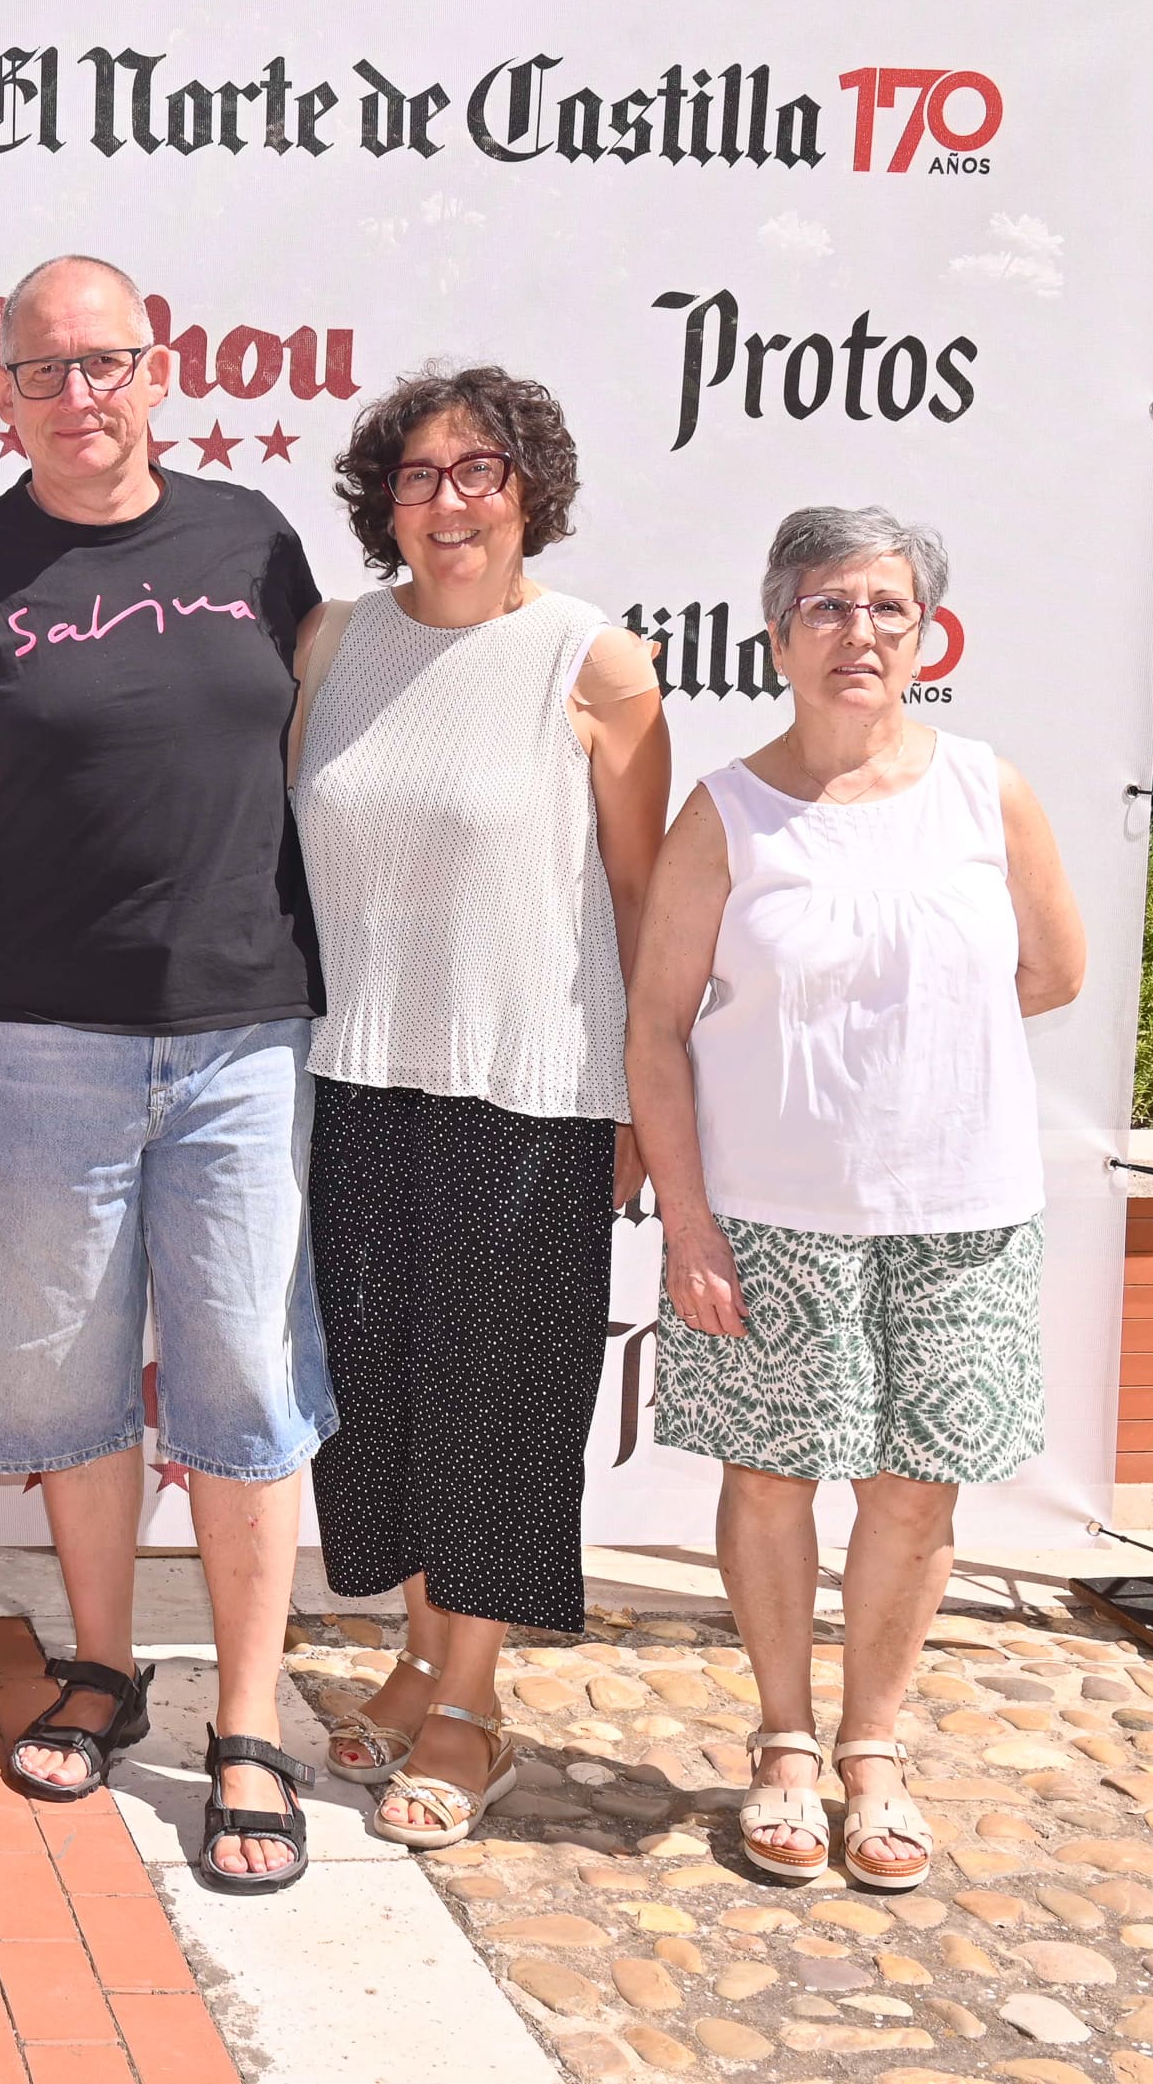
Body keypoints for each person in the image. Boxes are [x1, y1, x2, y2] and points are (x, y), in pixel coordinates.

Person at [0, 254, 334, 1897]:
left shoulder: (255, 545)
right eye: (44, 372)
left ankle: (253, 1723)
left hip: (244, 1043)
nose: (80, 397)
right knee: (65, 1391)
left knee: (245, 1396)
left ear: (162, 371)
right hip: (30, 1053)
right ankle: (102, 1660)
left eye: (107, 364)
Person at [625, 505, 1084, 1893]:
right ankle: (781, 1743)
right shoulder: (725, 809)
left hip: (961, 1215)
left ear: (926, 634)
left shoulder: (984, 791)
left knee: (912, 1493)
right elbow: (655, 1026)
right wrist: (691, 1217)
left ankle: (873, 1747)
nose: (859, 634)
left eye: (887, 608)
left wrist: (920, 1058)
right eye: (827, 607)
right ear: (777, 635)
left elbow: (1052, 971)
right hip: (768, 1215)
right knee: (767, 1482)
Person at [291, 367, 669, 1851]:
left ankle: (474, 1705)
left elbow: (648, 905)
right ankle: (414, 1653)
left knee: (500, 1405)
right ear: (384, 498)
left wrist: (647, 1100)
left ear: (530, 490)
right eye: (419, 474)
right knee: (378, 1396)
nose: (449, 500)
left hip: (531, 1093)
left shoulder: (598, 665)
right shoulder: (331, 642)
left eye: (481, 470)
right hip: (354, 1082)